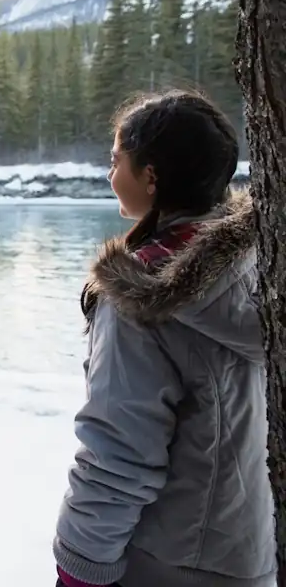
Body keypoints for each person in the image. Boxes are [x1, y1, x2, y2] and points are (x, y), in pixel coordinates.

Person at [53, 90, 274, 587]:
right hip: (251, 547)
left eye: (116, 162)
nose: (111, 176)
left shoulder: (142, 298)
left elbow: (119, 452)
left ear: (150, 177)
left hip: (173, 558)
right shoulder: (260, 264)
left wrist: (80, 567)